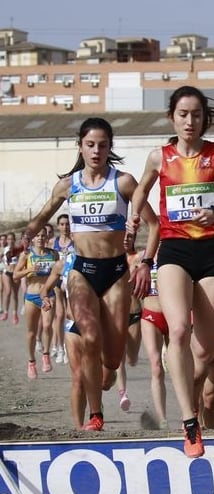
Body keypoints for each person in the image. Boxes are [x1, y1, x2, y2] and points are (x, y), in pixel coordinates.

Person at [128, 85, 214, 458]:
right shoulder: (159, 157)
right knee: (178, 329)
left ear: (204, 119)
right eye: (183, 114)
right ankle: (188, 421)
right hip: (175, 250)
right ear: (172, 117)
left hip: (213, 251)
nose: (189, 121)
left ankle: (193, 399)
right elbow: (140, 193)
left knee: (204, 351)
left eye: (196, 115)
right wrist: (134, 221)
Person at [22, 116, 159, 432]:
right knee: (89, 336)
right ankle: (96, 415)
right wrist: (28, 236)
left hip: (115, 273)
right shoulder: (68, 185)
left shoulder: (122, 182)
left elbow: (155, 225)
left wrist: (145, 262)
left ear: (110, 147)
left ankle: (108, 371)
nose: (96, 150)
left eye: (103, 145)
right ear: (80, 147)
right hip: (81, 271)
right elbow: (42, 216)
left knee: (111, 359)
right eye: (90, 144)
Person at [40, 254, 86, 430]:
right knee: (78, 378)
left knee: (105, 380)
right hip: (73, 325)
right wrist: (45, 299)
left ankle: (96, 405)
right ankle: (79, 428)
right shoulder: (63, 264)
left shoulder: (99, 257)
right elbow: (45, 289)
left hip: (96, 325)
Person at [13, 227, 58, 378]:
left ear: (47, 237)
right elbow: (15, 275)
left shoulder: (53, 254)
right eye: (37, 236)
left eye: (43, 236)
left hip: (48, 295)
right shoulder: (26, 255)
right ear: (32, 239)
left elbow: (59, 272)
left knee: (47, 325)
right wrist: (29, 269)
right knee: (31, 333)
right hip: (31, 296)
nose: (40, 238)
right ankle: (31, 362)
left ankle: (46, 354)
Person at [139, 259, 169, 430]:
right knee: (156, 367)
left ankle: (188, 415)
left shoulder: (174, 249)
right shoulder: (142, 258)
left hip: (173, 315)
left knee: (181, 368)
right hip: (151, 314)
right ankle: (162, 418)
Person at [116, 244, 144, 412]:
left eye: (129, 237)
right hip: (117, 314)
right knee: (119, 357)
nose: (125, 240)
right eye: (124, 237)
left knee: (132, 358)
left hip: (134, 313)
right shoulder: (112, 259)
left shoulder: (139, 257)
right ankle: (123, 393)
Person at [50, 213, 74, 364]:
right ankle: (58, 347)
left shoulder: (75, 241)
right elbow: (49, 261)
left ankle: (66, 347)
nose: (65, 227)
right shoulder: (54, 242)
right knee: (59, 315)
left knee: (69, 315)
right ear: (58, 226)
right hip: (58, 280)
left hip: (71, 281)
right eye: (62, 224)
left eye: (67, 224)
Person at [2, 232, 22, 324]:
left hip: (15, 273)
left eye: (12, 239)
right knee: (8, 291)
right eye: (8, 239)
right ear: (7, 240)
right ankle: (5, 312)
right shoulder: (4, 249)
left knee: (15, 294)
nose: (10, 241)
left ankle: (15, 313)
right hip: (6, 272)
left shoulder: (18, 250)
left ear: (14, 240)